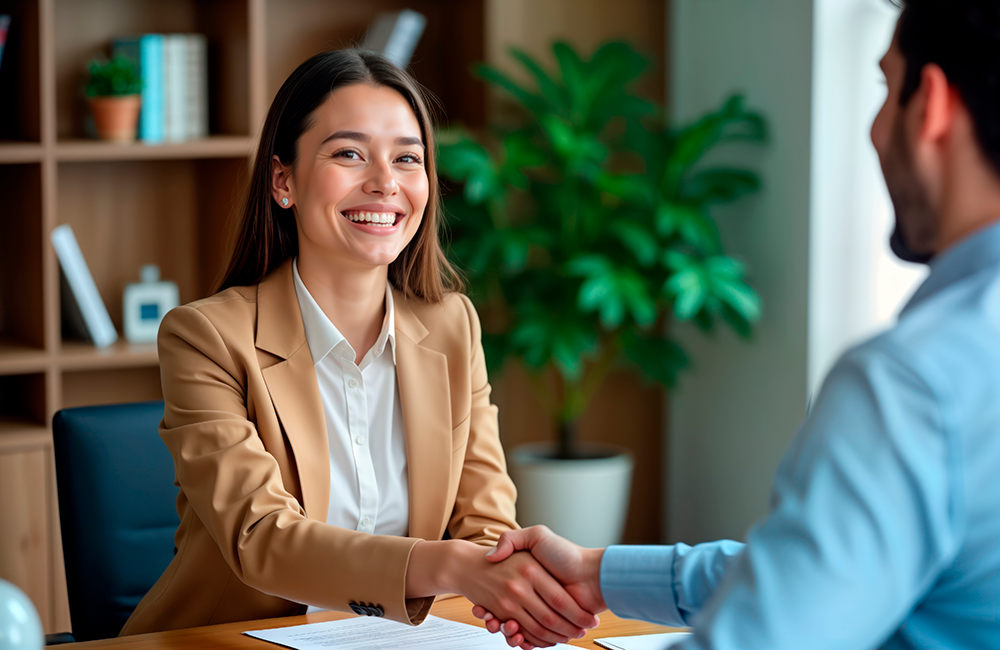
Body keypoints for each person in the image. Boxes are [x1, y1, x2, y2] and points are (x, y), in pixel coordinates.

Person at [473, 1, 1000, 648]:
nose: (875, 127)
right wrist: (598, 572)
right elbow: (816, 575)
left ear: (934, 105)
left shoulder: (912, 383)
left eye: (887, 88)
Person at [119, 49, 598, 647]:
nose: (385, 183)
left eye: (407, 158)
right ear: (283, 180)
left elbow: (486, 526)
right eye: (349, 154)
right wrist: (446, 565)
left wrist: (512, 578)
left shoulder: (453, 326)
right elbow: (261, 537)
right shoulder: (206, 337)